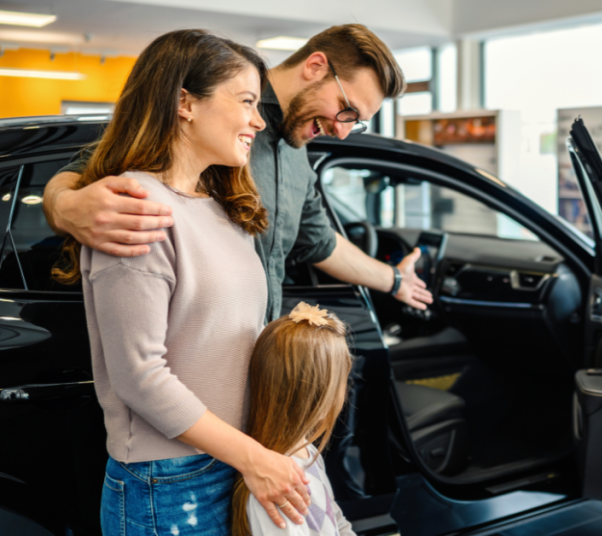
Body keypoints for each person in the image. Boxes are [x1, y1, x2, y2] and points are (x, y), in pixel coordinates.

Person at [58, 30, 314, 535]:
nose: (259, 121)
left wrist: (271, 438)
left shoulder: (220, 207)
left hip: (231, 459)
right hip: (170, 480)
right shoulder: (136, 207)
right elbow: (139, 377)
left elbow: (235, 341)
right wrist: (252, 457)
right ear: (184, 103)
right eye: (245, 101)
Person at [42, 24, 432, 325]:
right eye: (347, 111)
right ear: (315, 67)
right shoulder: (215, 119)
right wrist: (66, 206)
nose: (343, 130)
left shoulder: (297, 154)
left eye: (356, 122)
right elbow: (97, 166)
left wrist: (394, 281)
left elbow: (318, 241)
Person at [234, 302, 357, 536]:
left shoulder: (307, 452)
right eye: (343, 380)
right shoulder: (277, 486)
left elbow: (337, 521)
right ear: (319, 395)